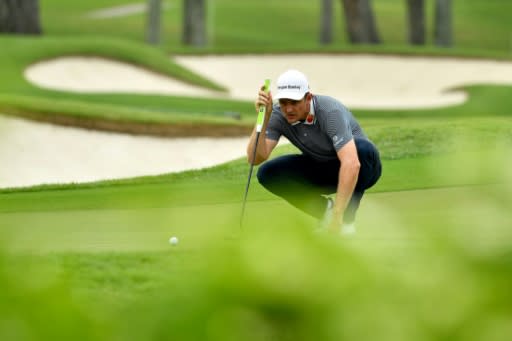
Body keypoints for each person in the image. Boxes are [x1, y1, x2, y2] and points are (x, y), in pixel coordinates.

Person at [246, 69, 382, 234]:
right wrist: (264, 118)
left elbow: (351, 163)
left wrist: (339, 215)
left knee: (363, 149)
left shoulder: (329, 112)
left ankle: (346, 221)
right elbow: (255, 158)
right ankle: (326, 212)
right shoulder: (277, 114)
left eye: (294, 102)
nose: (288, 109)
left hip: (362, 167)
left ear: (308, 98)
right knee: (268, 173)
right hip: (322, 167)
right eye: (283, 102)